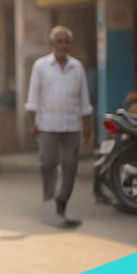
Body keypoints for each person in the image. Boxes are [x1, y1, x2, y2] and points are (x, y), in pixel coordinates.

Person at [25, 25, 92, 228]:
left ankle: (61, 202)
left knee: (71, 167)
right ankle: (49, 202)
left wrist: (86, 125)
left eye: (66, 42)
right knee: (48, 163)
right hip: (47, 124)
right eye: (59, 42)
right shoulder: (41, 66)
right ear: (52, 45)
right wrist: (32, 123)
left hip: (72, 124)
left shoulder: (77, 67)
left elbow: (84, 99)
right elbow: (33, 97)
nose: (63, 46)